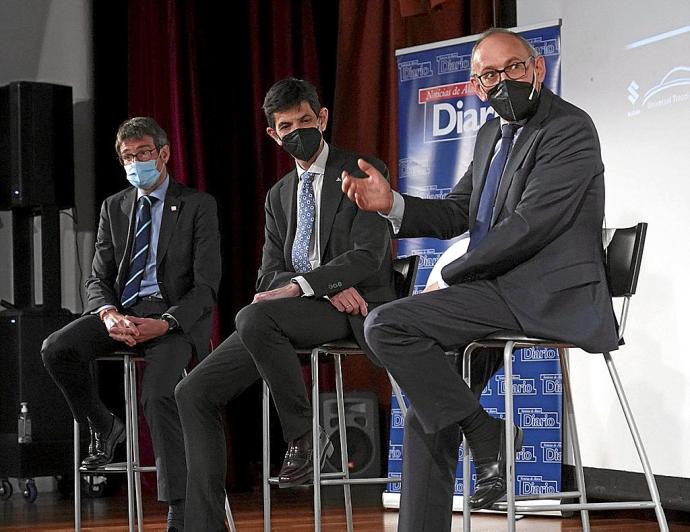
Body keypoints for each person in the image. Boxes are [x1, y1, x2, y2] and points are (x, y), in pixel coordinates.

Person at [341, 28, 619, 531]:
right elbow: (457, 212)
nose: (502, 81)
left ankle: (486, 434)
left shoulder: (570, 129)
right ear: (475, 86)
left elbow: (531, 225)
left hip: (542, 293)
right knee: (433, 400)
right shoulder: (491, 133)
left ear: (537, 68)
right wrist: (393, 205)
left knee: (385, 325)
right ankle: (484, 432)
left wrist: (448, 273)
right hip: (495, 290)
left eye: (512, 67)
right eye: (489, 75)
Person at [174, 77, 396, 531]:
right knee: (192, 392)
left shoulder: (361, 170)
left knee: (254, 315)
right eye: (286, 126)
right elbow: (268, 273)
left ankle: (303, 435)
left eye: (306, 121)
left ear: (323, 118)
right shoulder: (278, 195)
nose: (298, 132)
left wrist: (309, 286)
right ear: (274, 134)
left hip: (353, 312)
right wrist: (318, 286)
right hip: (301, 310)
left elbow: (367, 254)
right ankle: (203, 525)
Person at [41, 117, 221, 532]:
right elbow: (98, 278)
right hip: (121, 314)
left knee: (157, 395)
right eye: (127, 157)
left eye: (142, 154)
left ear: (163, 154)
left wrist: (165, 323)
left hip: (171, 319)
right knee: (56, 348)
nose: (135, 163)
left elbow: (206, 287)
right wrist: (108, 313)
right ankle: (101, 424)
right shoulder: (114, 206)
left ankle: (178, 508)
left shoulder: (197, 205)